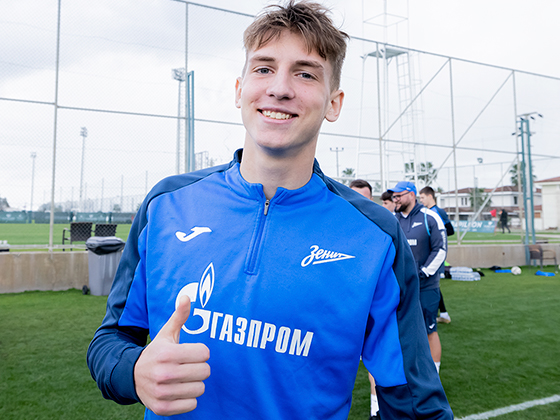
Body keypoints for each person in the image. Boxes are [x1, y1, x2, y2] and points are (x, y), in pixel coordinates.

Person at [87, 2, 452, 419]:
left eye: (305, 73)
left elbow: (412, 399)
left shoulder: (374, 235)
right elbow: (112, 339)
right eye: (264, 68)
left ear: (334, 103)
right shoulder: (166, 205)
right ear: (239, 90)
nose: (279, 88)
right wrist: (133, 370)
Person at [389, 181, 447, 374]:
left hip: (426, 287)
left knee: (429, 330)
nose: (395, 199)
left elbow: (441, 249)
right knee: (401, 331)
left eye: (399, 195)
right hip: (400, 288)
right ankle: (406, 373)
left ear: (412, 195)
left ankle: (434, 375)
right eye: (394, 196)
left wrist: (423, 273)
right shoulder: (392, 219)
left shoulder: (430, 217)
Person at [349, 179, 379, 420]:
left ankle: (375, 411)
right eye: (354, 197)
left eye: (364, 198)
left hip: (370, 309)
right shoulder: (332, 227)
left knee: (377, 361)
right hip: (340, 314)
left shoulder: (380, 233)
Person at [419, 186, 453, 324]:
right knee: (432, 285)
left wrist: (436, 237)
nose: (421, 200)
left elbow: (450, 230)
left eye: (422, 197)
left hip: (435, 255)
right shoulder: (424, 213)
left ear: (430, 196)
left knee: (433, 285)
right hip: (426, 254)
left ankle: (439, 315)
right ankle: (443, 314)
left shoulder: (438, 212)